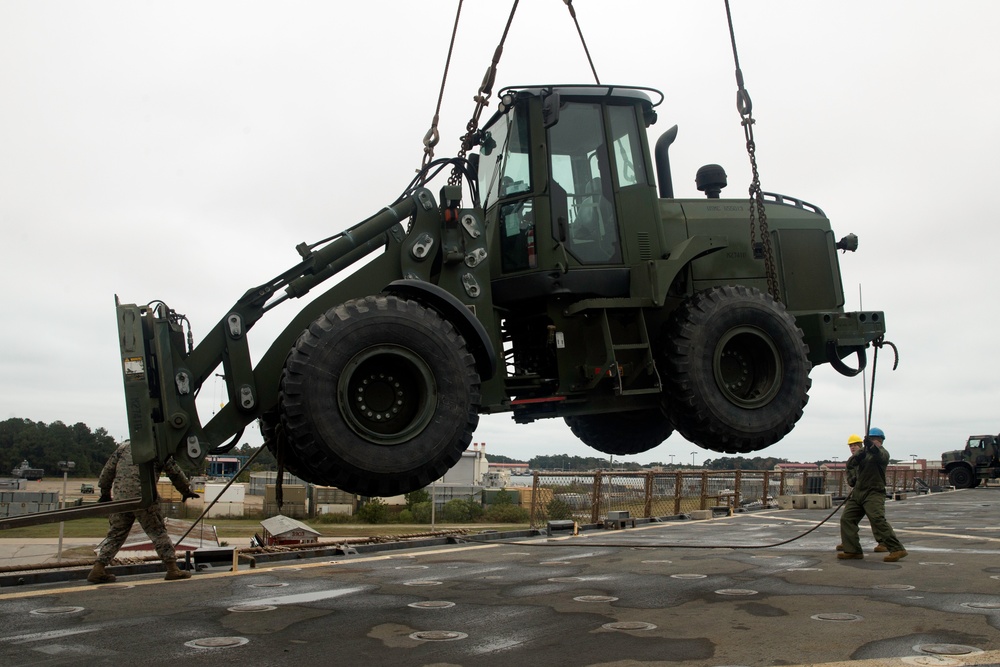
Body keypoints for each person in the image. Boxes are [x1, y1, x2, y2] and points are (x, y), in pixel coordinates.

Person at [87, 441, 200, 584]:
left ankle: (98, 569)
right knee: (158, 532)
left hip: (121, 500)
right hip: (144, 498)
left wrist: (105, 493)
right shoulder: (159, 447)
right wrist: (185, 490)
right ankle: (172, 569)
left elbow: (107, 471)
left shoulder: (123, 447)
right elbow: (174, 472)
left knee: (115, 534)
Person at [837, 427, 907, 562]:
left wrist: (871, 448)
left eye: (876, 440)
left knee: (877, 519)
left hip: (874, 492)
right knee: (847, 519)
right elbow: (851, 464)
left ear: (880, 441)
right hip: (858, 492)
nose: (875, 442)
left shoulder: (882, 453)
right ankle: (852, 550)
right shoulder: (863, 452)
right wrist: (859, 455)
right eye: (872, 440)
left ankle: (897, 548)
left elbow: (879, 456)